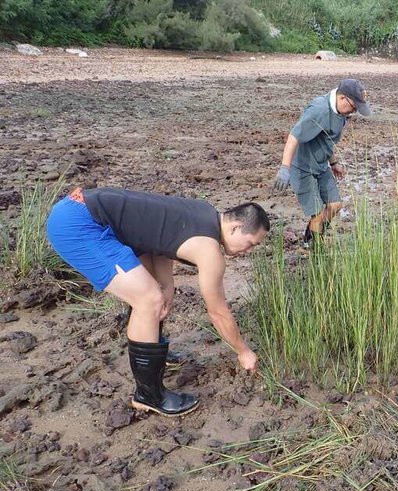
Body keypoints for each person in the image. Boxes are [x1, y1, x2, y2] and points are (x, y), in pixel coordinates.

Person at [46, 187, 269, 417]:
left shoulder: (205, 213)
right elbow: (218, 312)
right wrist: (243, 351)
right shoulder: (210, 250)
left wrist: (166, 282)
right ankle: (148, 395)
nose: (248, 251)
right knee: (149, 299)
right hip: (79, 224)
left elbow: (159, 235)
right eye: (250, 243)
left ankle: (154, 355)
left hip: (78, 208)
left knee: (157, 292)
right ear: (235, 228)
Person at [272, 78, 372, 247]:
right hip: (303, 167)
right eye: (353, 107)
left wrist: (334, 164)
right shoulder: (318, 110)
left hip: (320, 165)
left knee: (335, 205)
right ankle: (315, 249)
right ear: (342, 98)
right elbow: (293, 136)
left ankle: (310, 237)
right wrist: (284, 168)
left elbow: (327, 139)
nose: (353, 112)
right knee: (317, 213)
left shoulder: (341, 113)